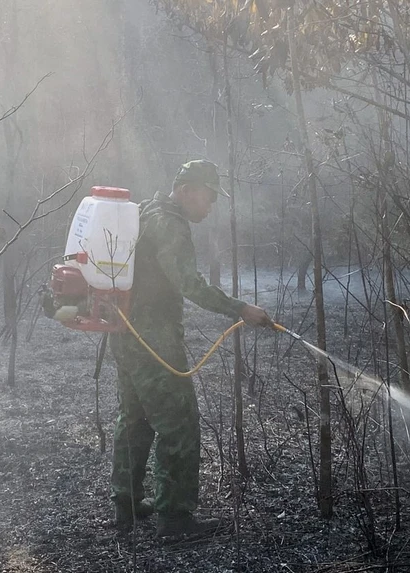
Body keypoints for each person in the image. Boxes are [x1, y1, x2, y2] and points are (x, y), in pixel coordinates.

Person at [109, 160, 272, 537]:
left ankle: (127, 505)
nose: (210, 206)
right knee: (178, 424)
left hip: (125, 334)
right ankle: (175, 518)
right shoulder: (169, 225)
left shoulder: (148, 212)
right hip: (155, 342)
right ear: (186, 191)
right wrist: (240, 308)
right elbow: (190, 284)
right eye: (208, 197)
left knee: (133, 420)